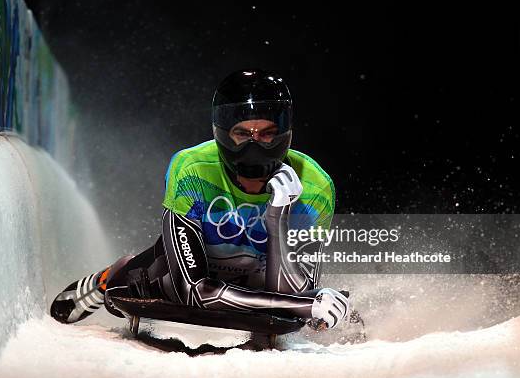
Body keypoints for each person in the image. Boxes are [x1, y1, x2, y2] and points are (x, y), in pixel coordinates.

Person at [50, 69, 349, 330]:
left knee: (326, 314)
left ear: (284, 134)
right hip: (196, 271)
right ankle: (108, 277)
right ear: (223, 134)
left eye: (267, 134)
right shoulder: (192, 169)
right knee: (121, 293)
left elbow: (294, 296)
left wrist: (278, 219)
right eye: (242, 133)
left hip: (259, 278)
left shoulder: (315, 187)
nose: (254, 146)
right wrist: (304, 306)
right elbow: (192, 290)